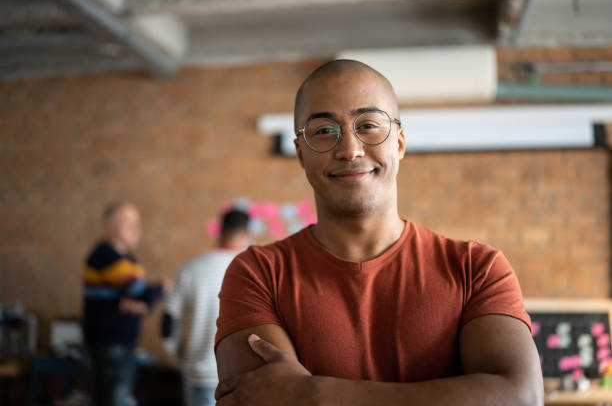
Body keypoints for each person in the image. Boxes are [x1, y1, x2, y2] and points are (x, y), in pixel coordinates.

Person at [214, 60, 543, 405]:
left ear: (399, 143)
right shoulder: (257, 274)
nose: (350, 150)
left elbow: (520, 398)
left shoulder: (476, 268)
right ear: (300, 153)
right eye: (324, 131)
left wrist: (315, 393)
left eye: (369, 125)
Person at [161, 209, 251, 406]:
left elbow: (168, 318)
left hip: (198, 374)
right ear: (247, 234)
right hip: (241, 377)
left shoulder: (192, 268)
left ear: (220, 230)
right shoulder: (251, 271)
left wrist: (174, 356)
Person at [83, 202, 168, 406]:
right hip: (111, 346)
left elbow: (140, 297)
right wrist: (162, 287)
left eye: (137, 223)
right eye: (127, 222)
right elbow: (139, 291)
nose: (135, 228)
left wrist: (141, 301)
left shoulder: (127, 260)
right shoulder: (106, 256)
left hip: (119, 345)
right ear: (109, 225)